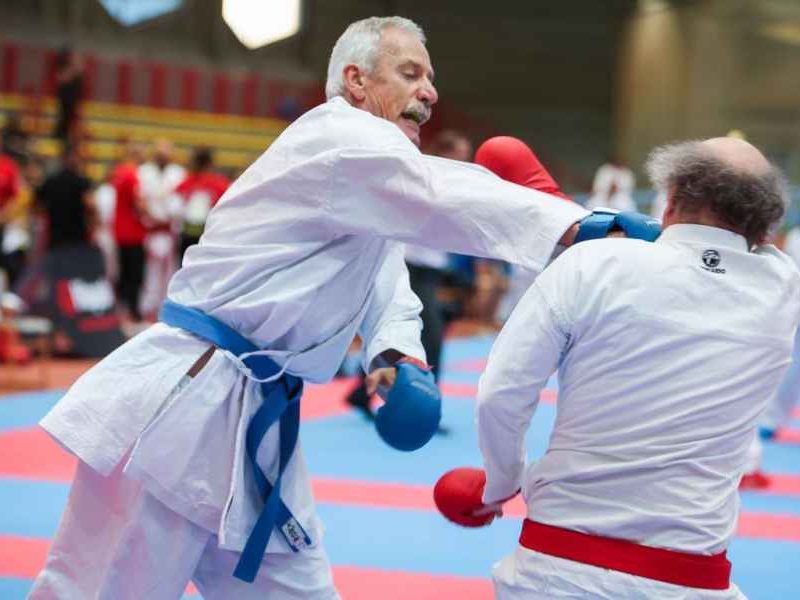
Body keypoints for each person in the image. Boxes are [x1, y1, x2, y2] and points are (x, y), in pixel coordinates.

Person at [30, 16, 636, 599]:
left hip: (259, 422)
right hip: (187, 405)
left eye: (430, 78)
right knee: (103, 588)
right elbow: (436, 193)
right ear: (356, 80)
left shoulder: (364, 191)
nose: (429, 91)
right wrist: (583, 225)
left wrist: (397, 352)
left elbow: (383, 276)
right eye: (409, 73)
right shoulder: (340, 137)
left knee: (300, 589)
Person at [441, 137, 797, 598]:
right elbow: (739, 257)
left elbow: (501, 392)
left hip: (556, 570)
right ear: (766, 229)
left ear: (670, 197)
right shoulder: (783, 290)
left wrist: (499, 483)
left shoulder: (591, 263)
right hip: (692, 581)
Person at [138, 139, 186, 319]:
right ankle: (147, 305)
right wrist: (149, 216)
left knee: (170, 268)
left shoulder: (178, 173)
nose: (162, 157)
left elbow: (181, 199)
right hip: (147, 227)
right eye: (159, 154)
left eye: (166, 154)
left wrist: (168, 217)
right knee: (148, 268)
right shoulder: (144, 172)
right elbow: (139, 198)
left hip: (169, 227)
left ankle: (166, 305)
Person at [111, 143, 147, 322]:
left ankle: (121, 310)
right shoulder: (133, 176)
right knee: (135, 274)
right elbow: (138, 204)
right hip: (133, 232)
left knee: (123, 273)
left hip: (119, 230)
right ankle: (134, 311)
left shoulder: (119, 173)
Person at [174, 146, 230, 261]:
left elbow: (174, 207)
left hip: (189, 235)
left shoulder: (187, 182)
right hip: (209, 236)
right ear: (210, 163)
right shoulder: (220, 184)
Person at [53, 47, 84, 144]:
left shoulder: (76, 73)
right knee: (63, 117)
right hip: (65, 98)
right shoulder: (64, 67)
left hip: (72, 99)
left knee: (69, 118)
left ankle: (65, 136)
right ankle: (59, 135)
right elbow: (61, 79)